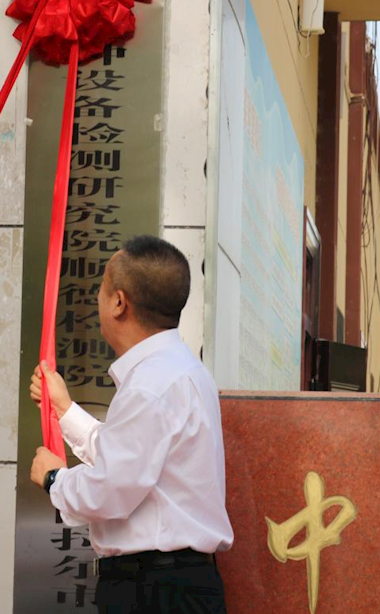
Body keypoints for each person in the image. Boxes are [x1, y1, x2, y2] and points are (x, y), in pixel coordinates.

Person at [30, 235, 234, 613]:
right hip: (174, 585)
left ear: (119, 302)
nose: (98, 300)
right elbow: (129, 459)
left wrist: (55, 479)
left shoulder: (150, 383)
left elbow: (112, 488)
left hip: (154, 590)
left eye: (102, 290)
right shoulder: (182, 371)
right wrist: (65, 409)